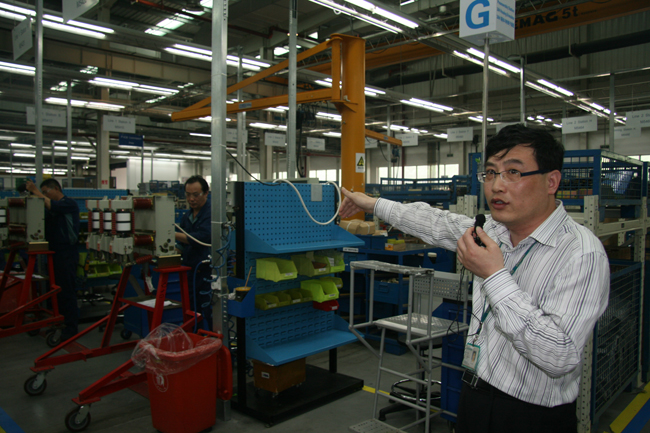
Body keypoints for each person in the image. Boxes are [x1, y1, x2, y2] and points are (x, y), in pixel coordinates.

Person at [339, 124, 610, 433]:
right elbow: (435, 222)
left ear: (551, 181)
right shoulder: (493, 230)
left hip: (530, 416)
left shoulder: (581, 253)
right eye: (491, 173)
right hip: (475, 397)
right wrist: (373, 204)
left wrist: (494, 276)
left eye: (513, 173)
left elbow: (560, 355)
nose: (496, 185)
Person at [26, 178, 80, 342]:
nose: (44, 195)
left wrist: (35, 191)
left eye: (45, 192)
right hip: (54, 252)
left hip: (67, 253)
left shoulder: (68, 204)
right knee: (55, 291)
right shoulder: (51, 208)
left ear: (56, 188)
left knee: (67, 291)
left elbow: (51, 205)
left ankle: (71, 328)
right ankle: (58, 320)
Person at [175, 175, 213, 331]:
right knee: (190, 308)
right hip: (190, 270)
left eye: (195, 194)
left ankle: (212, 341)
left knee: (208, 310)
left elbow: (201, 238)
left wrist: (168, 232)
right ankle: (194, 339)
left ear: (206, 193)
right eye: (188, 194)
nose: (191, 199)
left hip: (207, 272)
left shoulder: (212, 214)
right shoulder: (187, 216)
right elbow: (182, 244)